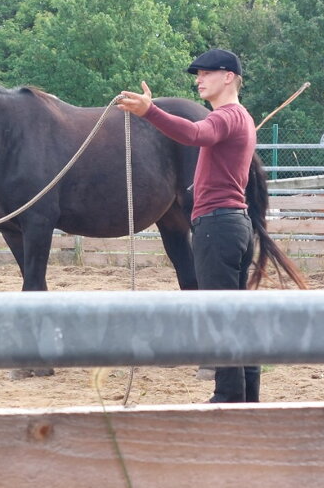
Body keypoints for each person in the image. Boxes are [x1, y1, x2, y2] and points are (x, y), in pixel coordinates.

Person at [117, 48, 259, 403]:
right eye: (197, 74)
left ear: (228, 77)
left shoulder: (226, 116)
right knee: (237, 316)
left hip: (217, 227)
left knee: (219, 314)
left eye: (206, 73)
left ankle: (227, 397)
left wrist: (150, 112)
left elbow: (195, 133)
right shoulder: (240, 117)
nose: (199, 79)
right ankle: (246, 398)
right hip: (234, 225)